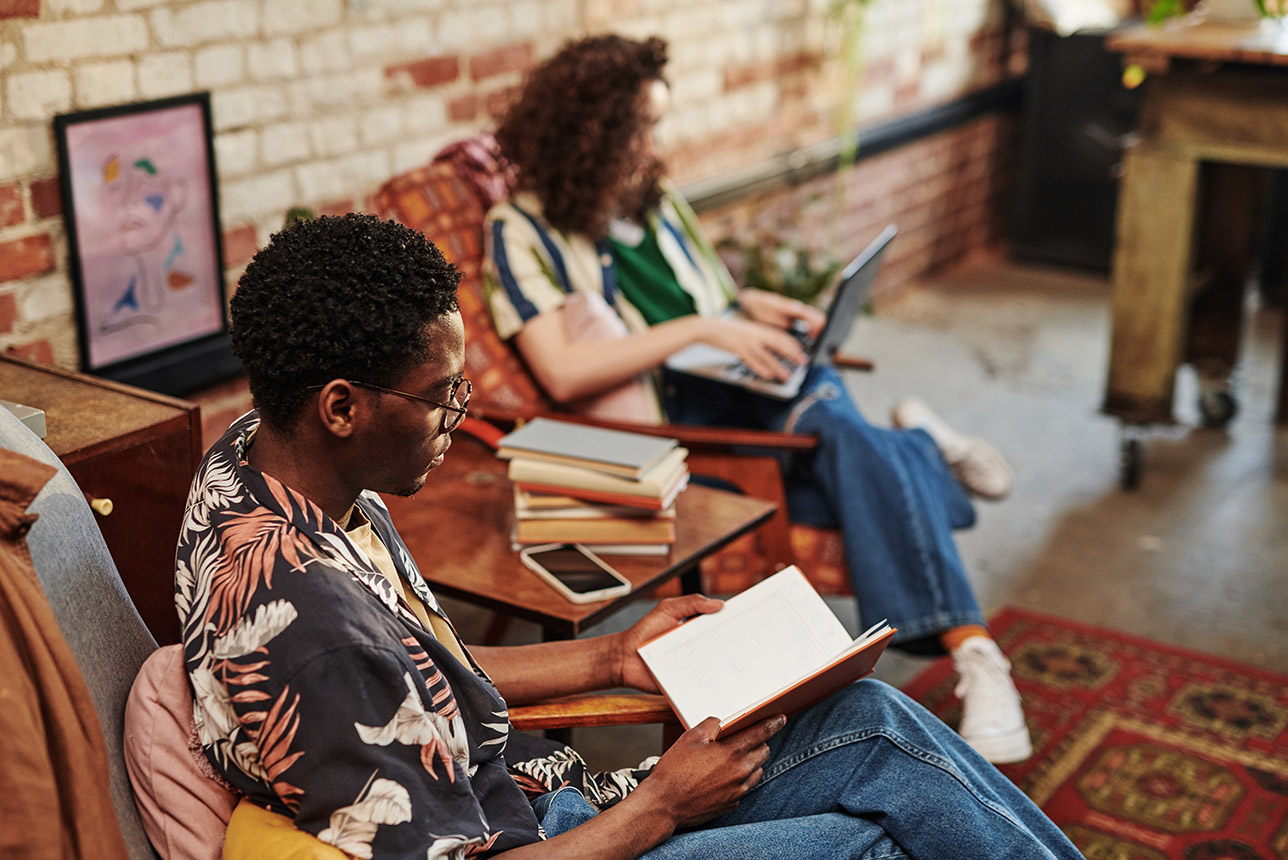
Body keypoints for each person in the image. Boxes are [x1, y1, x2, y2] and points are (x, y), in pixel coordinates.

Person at [177, 212, 1084, 859]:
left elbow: (419, 670)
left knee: (870, 717)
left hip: (544, 795)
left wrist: (615, 660)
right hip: (552, 837)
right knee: (886, 837)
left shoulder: (265, 463)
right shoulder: (311, 633)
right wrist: (659, 803)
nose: (458, 414)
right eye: (439, 394)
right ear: (340, 406)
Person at [483, 33, 1031, 764]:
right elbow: (563, 372)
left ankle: (972, 645)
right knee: (860, 452)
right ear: (590, 131)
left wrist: (752, 311)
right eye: (641, 126)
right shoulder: (520, 231)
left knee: (827, 422)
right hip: (688, 421)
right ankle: (929, 471)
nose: (653, 145)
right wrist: (702, 329)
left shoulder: (656, 205)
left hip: (742, 388)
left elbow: (714, 300)